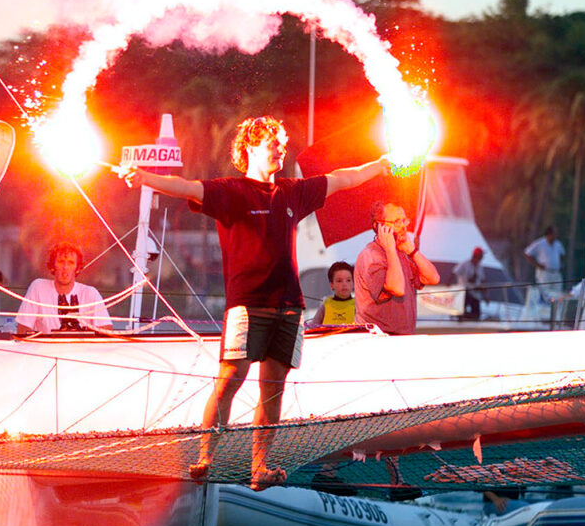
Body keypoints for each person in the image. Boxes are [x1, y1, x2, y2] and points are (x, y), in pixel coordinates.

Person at [119, 115, 390, 490]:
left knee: (273, 386)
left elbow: (344, 177)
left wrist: (382, 164)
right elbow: (184, 187)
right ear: (250, 147)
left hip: (289, 307)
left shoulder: (293, 191)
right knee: (230, 377)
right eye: (272, 144)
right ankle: (205, 457)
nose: (281, 149)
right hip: (246, 306)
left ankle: (259, 468)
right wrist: (145, 178)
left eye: (282, 143)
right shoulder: (229, 190)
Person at [353, 202, 441, 335]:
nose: (404, 226)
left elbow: (433, 278)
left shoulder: (402, 253)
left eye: (404, 220)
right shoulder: (371, 255)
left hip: (402, 337)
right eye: (397, 221)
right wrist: (390, 249)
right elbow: (397, 288)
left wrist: (411, 250)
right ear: (379, 226)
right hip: (377, 340)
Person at [15, 242, 112, 334]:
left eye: (71, 262)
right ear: (53, 265)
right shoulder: (38, 287)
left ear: (77, 267)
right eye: (61, 262)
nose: (65, 267)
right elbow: (22, 329)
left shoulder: (91, 293)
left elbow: (107, 332)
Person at [523, 226, 565, 311]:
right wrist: (537, 265)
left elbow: (562, 254)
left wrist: (559, 264)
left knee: (557, 293)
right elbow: (527, 253)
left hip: (556, 272)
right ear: (549, 234)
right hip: (544, 272)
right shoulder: (540, 243)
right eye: (554, 234)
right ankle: (544, 311)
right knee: (545, 292)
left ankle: (555, 311)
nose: (555, 236)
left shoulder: (557, 244)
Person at [309, 261, 355, 326]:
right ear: (331, 285)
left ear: (353, 283)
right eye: (339, 281)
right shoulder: (325, 306)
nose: (344, 284)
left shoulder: (358, 307)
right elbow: (312, 327)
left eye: (348, 280)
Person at [453, 246, 486, 321]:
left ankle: (472, 319)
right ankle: (461, 317)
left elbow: (483, 280)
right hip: (465, 292)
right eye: (481, 256)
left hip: (475, 292)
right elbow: (454, 273)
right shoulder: (465, 264)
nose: (481, 258)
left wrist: (485, 294)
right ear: (476, 255)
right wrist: (448, 286)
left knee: (476, 312)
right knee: (463, 307)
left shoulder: (480, 267)